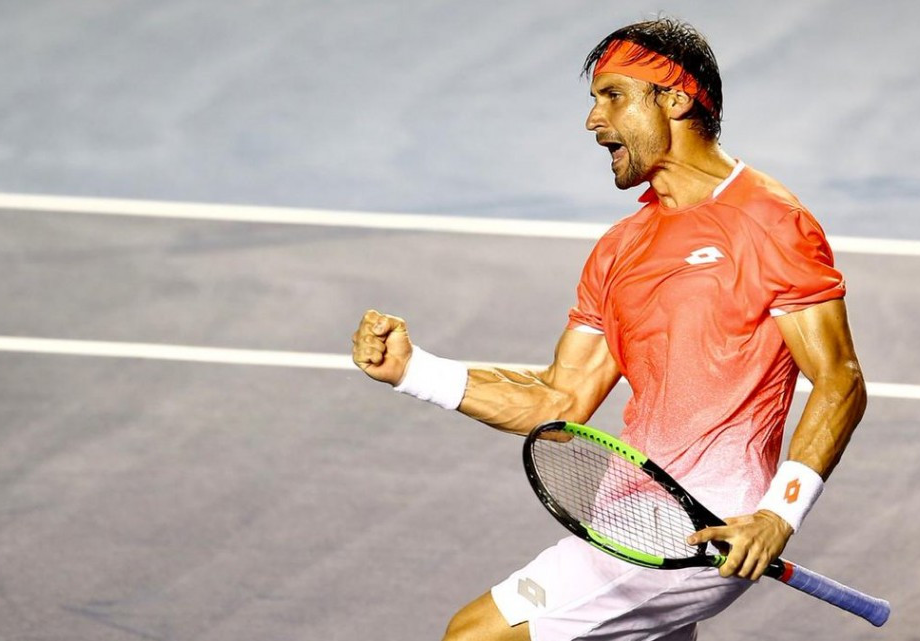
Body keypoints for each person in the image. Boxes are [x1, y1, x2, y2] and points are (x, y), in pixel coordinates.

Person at [351, 16, 866, 641]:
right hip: (630, 523)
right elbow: (558, 400)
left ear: (675, 99)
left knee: (474, 636)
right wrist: (413, 370)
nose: (593, 120)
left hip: (705, 528)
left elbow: (838, 379)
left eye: (613, 96)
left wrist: (778, 514)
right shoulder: (621, 246)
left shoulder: (769, 221)